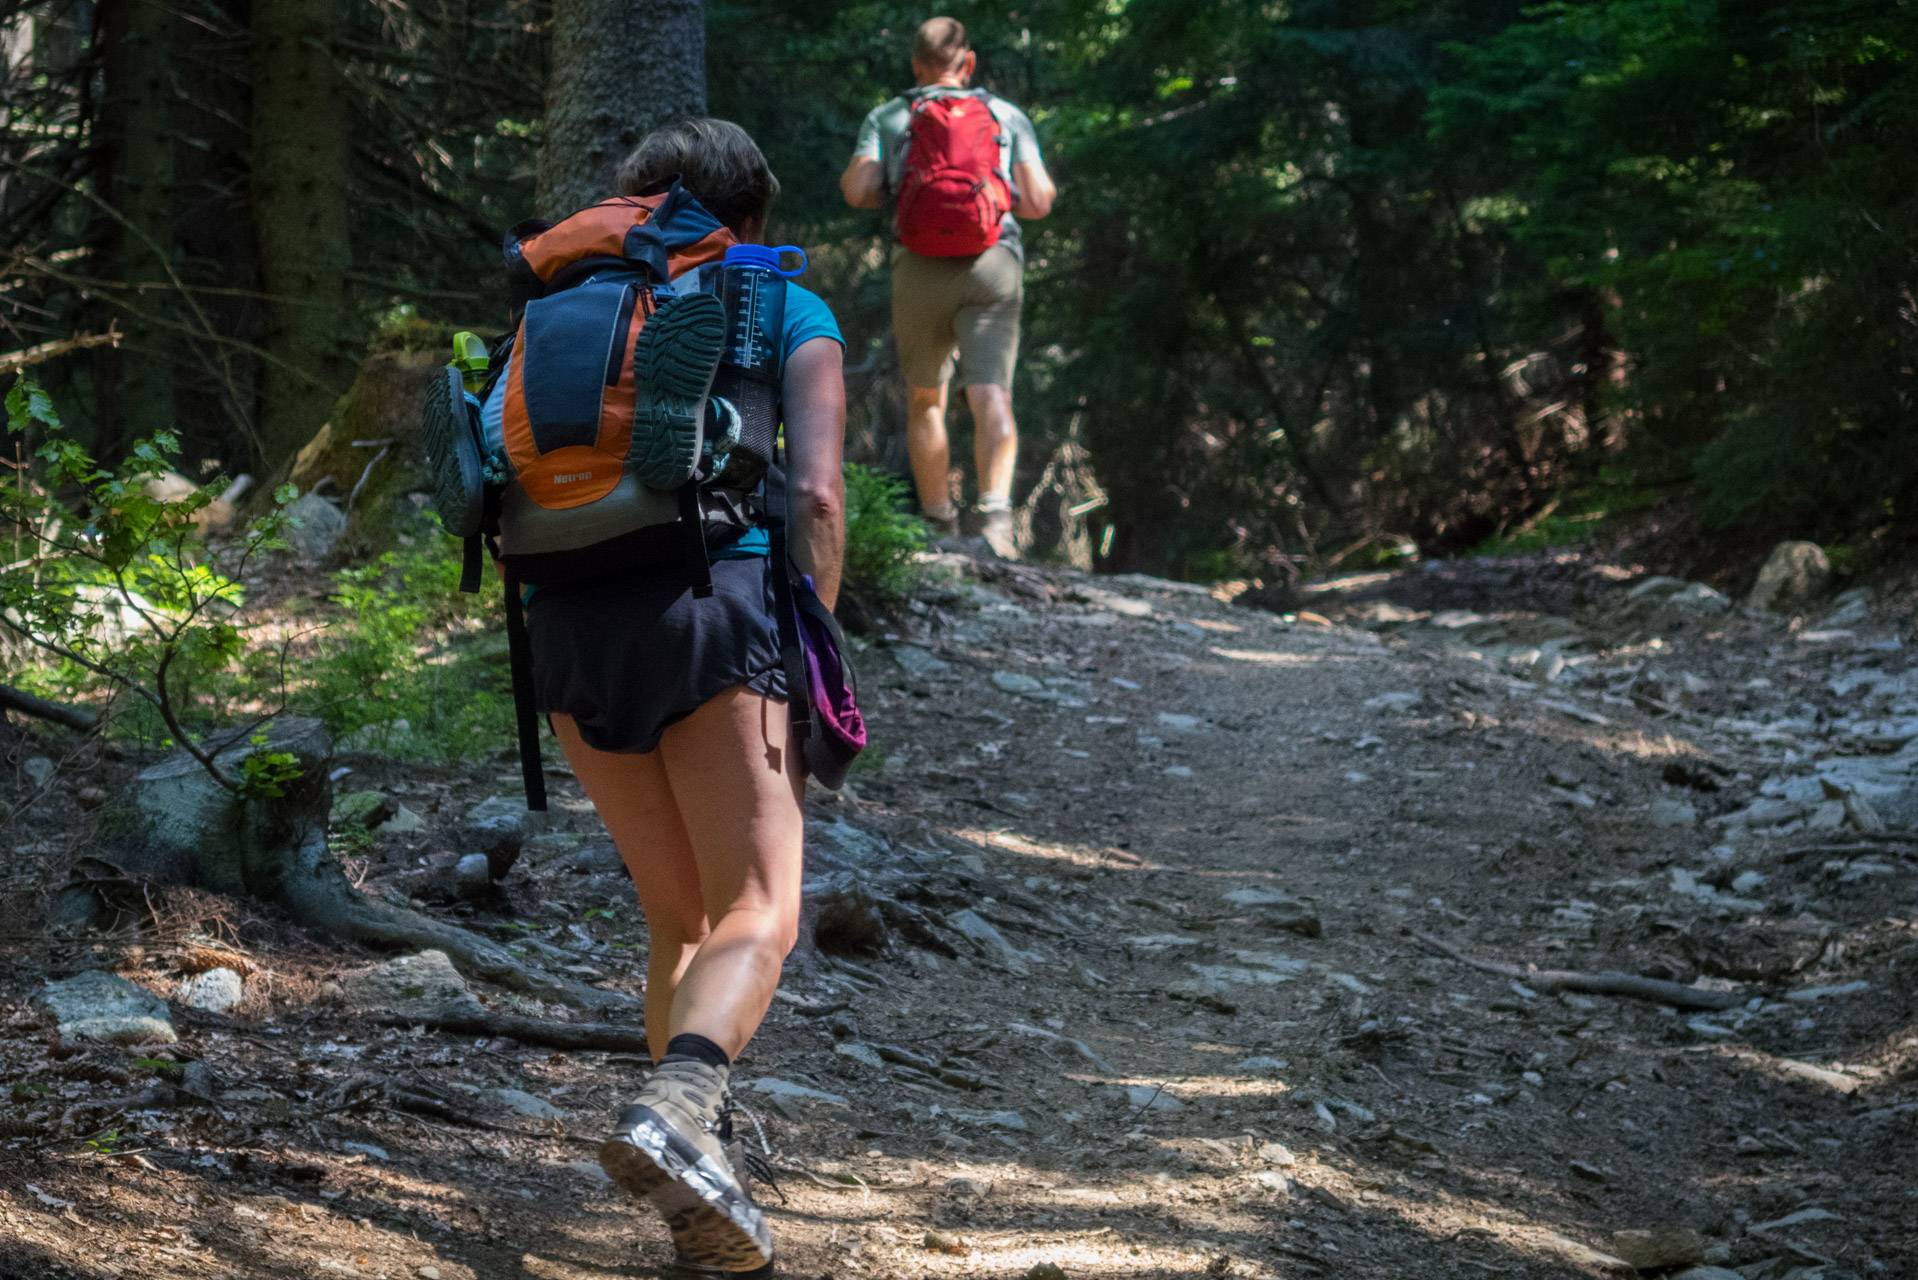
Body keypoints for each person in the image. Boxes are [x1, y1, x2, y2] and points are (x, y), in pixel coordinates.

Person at [513, 119, 844, 1276]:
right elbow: (814, 488)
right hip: (716, 602)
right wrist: (818, 627)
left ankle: (692, 1199)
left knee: (681, 917)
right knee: (761, 907)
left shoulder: (563, 303)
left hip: (562, 618)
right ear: (749, 218)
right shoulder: (779, 304)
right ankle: (684, 1109)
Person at [840, 16, 1055, 558]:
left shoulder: (891, 115)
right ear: (970, 63)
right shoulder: (1005, 115)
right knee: (991, 394)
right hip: (994, 264)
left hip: (918, 266)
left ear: (916, 65)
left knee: (925, 398)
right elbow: (1038, 201)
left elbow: (860, 189)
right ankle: (997, 524)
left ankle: (939, 528)